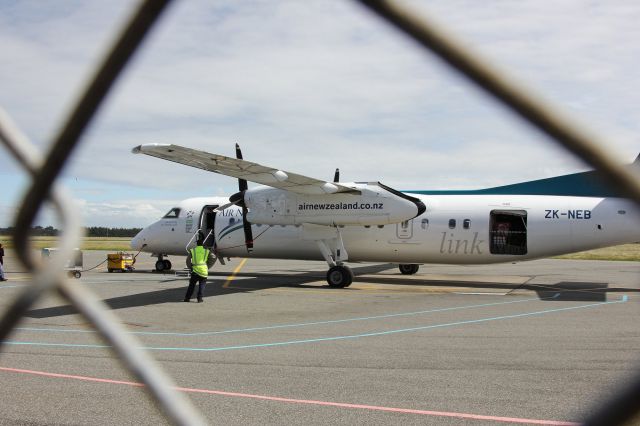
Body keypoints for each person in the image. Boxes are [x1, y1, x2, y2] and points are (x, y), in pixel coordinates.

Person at [184, 234, 210, 303]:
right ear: (202, 244)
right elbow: (213, 257)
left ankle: (187, 298)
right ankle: (199, 299)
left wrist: (190, 267)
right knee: (202, 285)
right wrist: (208, 266)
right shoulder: (206, 251)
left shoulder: (193, 251)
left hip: (195, 271)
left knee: (191, 286)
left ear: (197, 244)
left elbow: (188, 261)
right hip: (204, 271)